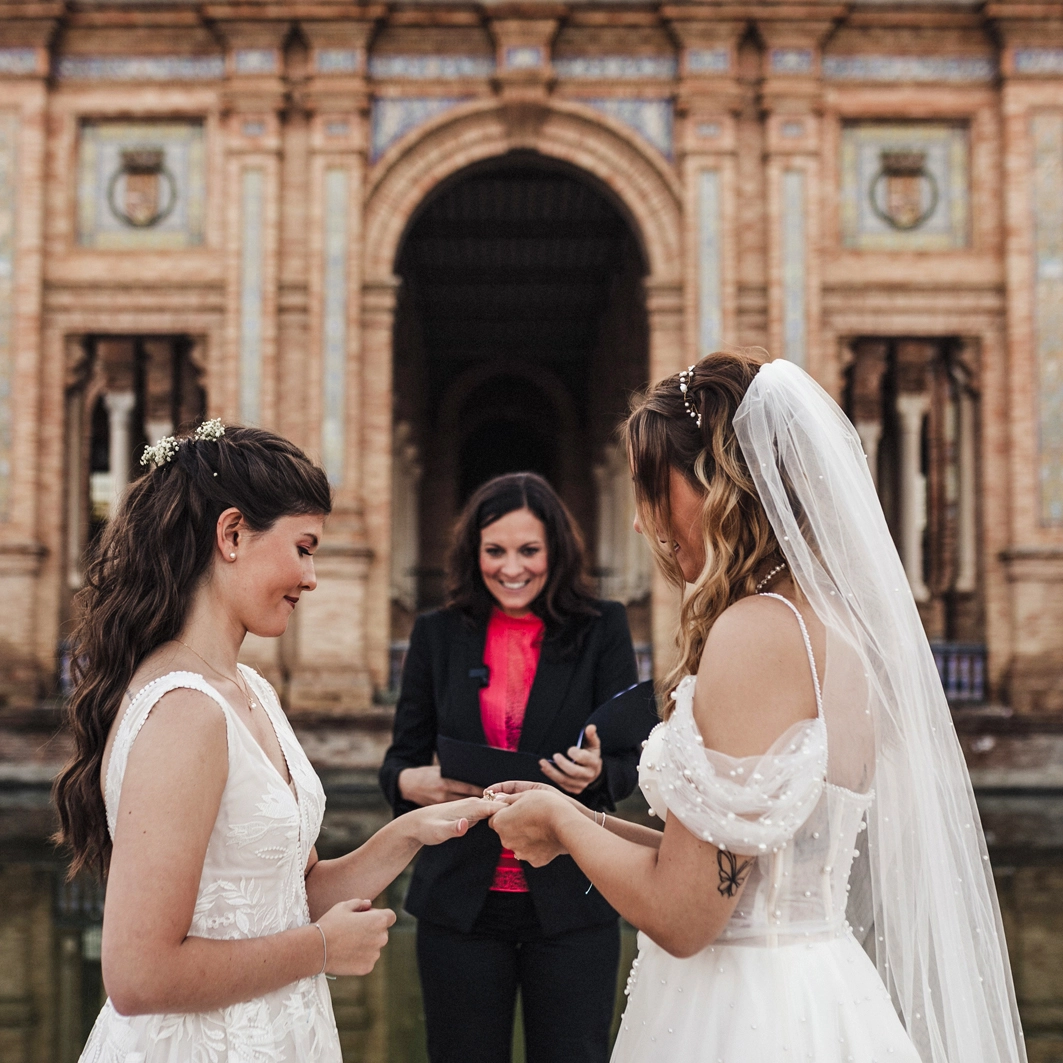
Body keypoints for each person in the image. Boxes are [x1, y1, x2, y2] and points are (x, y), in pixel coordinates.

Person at [489, 352, 1027, 1063]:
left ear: (713, 482)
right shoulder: (835, 625)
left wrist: (558, 817)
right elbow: (746, 860)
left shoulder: (756, 632)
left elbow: (687, 915)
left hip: (745, 1012)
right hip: (819, 986)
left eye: (653, 485)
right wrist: (586, 823)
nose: (644, 515)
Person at [52, 421, 494, 1063]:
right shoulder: (185, 712)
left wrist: (412, 833)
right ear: (232, 535)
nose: (312, 578)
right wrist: (319, 950)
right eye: (304, 547)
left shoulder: (250, 689)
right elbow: (138, 975)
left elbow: (291, 895)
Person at [379, 471, 640, 1063]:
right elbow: (399, 760)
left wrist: (595, 773)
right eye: (495, 551)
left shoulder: (604, 629)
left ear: (555, 551)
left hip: (573, 901)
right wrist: (409, 782)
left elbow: (631, 761)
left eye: (529, 551)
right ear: (475, 553)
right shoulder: (436, 634)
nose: (511, 567)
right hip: (460, 906)